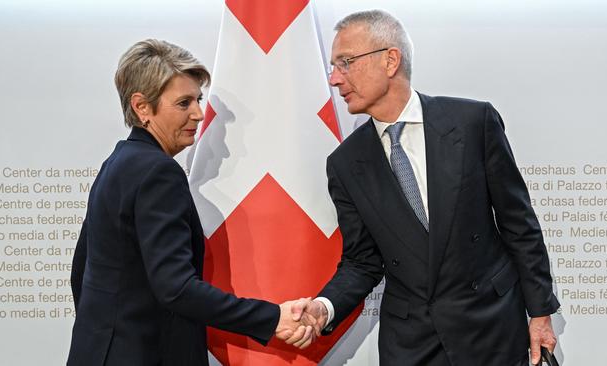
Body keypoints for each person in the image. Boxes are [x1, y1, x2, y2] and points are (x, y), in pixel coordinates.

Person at [291, 10, 560, 366]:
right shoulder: (344, 164)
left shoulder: (472, 123)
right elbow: (362, 261)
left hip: (490, 327)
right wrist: (324, 308)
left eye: (346, 63)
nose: (335, 79)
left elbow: (518, 224)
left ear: (390, 60)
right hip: (412, 344)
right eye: (333, 66)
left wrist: (539, 313)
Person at [67, 39, 312, 366]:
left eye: (198, 99)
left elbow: (81, 270)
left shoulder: (118, 162)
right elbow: (176, 288)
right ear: (142, 107)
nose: (198, 113)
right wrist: (272, 318)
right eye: (184, 103)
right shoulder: (158, 171)